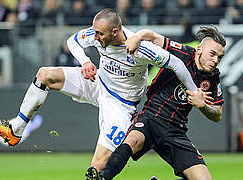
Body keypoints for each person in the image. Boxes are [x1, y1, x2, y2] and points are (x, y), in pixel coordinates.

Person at [0, 8, 198, 179]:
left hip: (121, 104)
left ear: (115, 32)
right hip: (96, 82)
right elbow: (72, 41)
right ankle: (15, 130)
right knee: (45, 74)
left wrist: (194, 92)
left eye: (99, 34)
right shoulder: (97, 35)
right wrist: (85, 61)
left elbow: (177, 64)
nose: (95, 37)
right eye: (94, 32)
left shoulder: (140, 48)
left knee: (99, 165)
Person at [91, 26, 226, 180]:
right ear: (199, 49)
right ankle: (103, 177)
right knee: (132, 141)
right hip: (151, 118)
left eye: (220, 57)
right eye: (213, 54)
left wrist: (203, 106)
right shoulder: (182, 53)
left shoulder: (213, 78)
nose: (215, 60)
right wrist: (137, 37)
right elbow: (152, 35)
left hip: (176, 131)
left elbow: (218, 114)